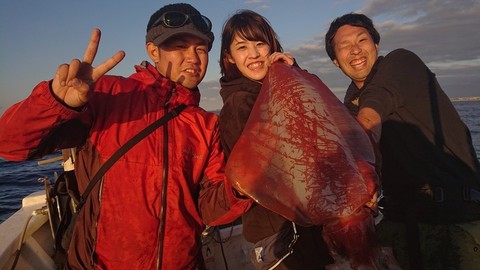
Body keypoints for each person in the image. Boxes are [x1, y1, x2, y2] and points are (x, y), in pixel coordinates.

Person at [0, 3, 252, 269]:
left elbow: (208, 210)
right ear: (152, 51)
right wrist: (57, 104)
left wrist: (241, 187)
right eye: (179, 46)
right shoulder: (109, 95)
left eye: (201, 49)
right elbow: (10, 144)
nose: (193, 57)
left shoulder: (207, 125)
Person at [325, 12, 480, 269]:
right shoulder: (348, 106)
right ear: (335, 61)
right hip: (400, 224)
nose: (355, 51)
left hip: (457, 219)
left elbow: (375, 104)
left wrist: (362, 137)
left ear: (376, 45)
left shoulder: (402, 63)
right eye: (344, 46)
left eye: (362, 40)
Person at [218, 10, 334, 269]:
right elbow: (267, 169)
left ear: (272, 47)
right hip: (277, 231)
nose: (254, 54)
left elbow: (321, 120)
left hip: (304, 223)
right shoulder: (241, 102)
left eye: (260, 44)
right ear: (230, 57)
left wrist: (292, 73)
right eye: (242, 47)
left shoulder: (271, 90)